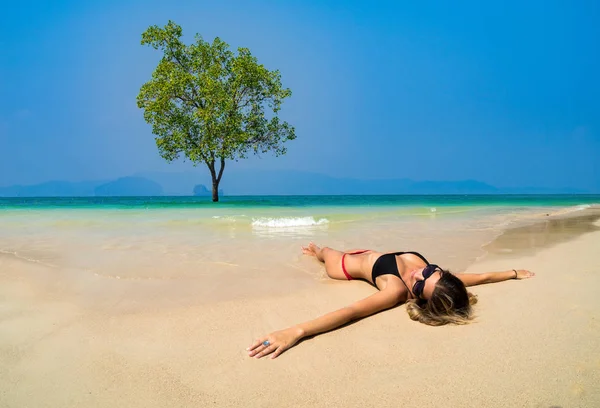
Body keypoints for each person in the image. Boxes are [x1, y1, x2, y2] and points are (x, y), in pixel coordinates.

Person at [247, 242, 535, 359]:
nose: (419, 273)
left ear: (418, 298)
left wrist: (296, 331)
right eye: (431, 271)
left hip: (346, 265)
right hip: (371, 251)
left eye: (420, 285)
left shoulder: (395, 290)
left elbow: (350, 311)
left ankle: (317, 252)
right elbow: (477, 277)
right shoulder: (434, 275)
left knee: (323, 251)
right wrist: (512, 273)